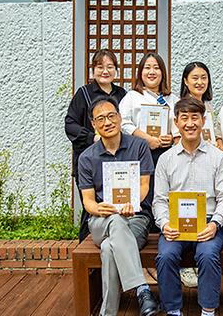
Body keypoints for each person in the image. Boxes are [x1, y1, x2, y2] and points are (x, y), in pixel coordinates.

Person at [152, 97, 223, 316]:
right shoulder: (166, 159)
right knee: (166, 256)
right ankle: (173, 310)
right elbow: (159, 200)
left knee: (208, 256)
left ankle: (208, 310)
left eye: (195, 118)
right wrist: (165, 224)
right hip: (175, 223)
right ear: (176, 123)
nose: (190, 123)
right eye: (184, 118)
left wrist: (216, 223)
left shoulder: (218, 157)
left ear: (203, 121)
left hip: (207, 222)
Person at [78, 96, 159, 316]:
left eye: (111, 115)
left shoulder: (139, 146)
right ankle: (142, 289)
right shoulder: (87, 157)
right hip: (100, 221)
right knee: (113, 219)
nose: (107, 122)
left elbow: (144, 186)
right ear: (94, 125)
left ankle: (108, 312)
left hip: (134, 218)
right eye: (100, 119)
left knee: (108, 247)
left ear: (120, 117)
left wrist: (131, 204)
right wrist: (99, 209)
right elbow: (87, 201)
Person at [65, 49, 127, 242]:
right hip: (90, 164)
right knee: (90, 210)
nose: (105, 71)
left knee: (116, 209)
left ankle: (112, 249)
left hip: (117, 162)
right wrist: (92, 137)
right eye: (100, 67)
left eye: (110, 67)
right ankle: (86, 254)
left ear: (116, 70)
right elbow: (70, 124)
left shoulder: (123, 94)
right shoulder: (83, 93)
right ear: (93, 70)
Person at [119, 52, 179, 213]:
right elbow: (123, 123)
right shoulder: (132, 96)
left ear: (163, 73)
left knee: (164, 187)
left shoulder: (172, 98)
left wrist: (171, 137)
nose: (152, 72)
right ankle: (145, 221)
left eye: (156, 68)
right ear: (140, 72)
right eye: (147, 68)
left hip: (165, 152)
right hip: (139, 151)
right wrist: (148, 139)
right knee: (144, 188)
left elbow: (178, 124)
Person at [180, 61, 223, 150]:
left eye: (204, 78)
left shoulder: (208, 105)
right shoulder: (181, 107)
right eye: (195, 78)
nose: (200, 82)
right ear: (186, 81)